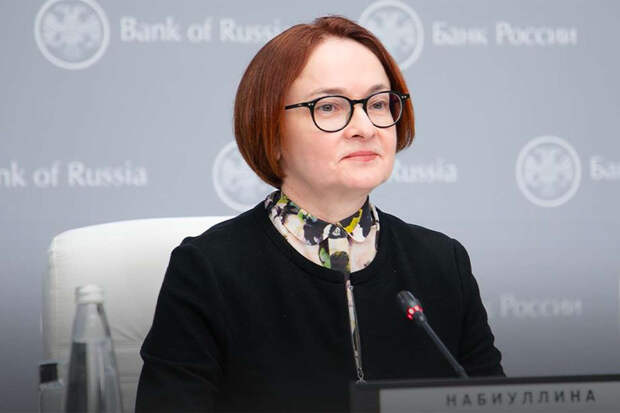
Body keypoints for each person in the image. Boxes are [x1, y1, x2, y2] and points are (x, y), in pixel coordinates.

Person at [136, 15, 504, 413]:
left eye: (378, 104)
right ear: (271, 133)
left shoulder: (443, 263)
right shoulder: (208, 271)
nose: (365, 127)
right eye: (329, 107)